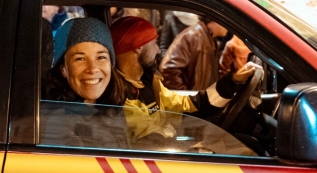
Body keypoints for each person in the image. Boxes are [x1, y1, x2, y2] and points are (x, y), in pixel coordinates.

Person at [111, 16, 261, 143]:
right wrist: (193, 149)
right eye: (154, 43)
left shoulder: (148, 83)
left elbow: (187, 104)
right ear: (138, 47)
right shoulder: (123, 97)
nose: (158, 50)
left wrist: (232, 82)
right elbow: (152, 142)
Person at [41, 17, 128, 147]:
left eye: (101, 57)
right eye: (80, 59)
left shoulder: (111, 108)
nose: (92, 69)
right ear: (63, 69)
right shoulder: (58, 121)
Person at [160, 15, 229, 90]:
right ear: (215, 21)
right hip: (194, 99)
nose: (228, 27)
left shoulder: (209, 38)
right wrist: (186, 96)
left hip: (201, 97)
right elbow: (168, 68)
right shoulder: (193, 36)